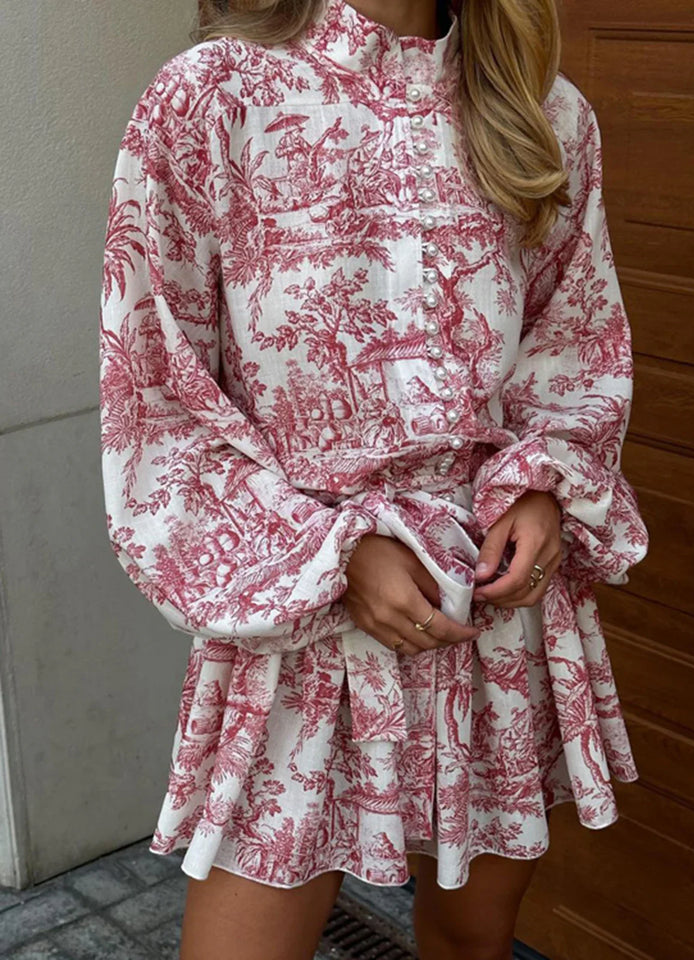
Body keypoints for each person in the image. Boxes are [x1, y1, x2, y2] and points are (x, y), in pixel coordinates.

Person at [98, 0, 650, 957]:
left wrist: (542, 485)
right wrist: (335, 554)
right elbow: (158, 388)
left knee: (475, 941)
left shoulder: (542, 111)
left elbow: (574, 343)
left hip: (489, 600)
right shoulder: (214, 99)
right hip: (301, 608)